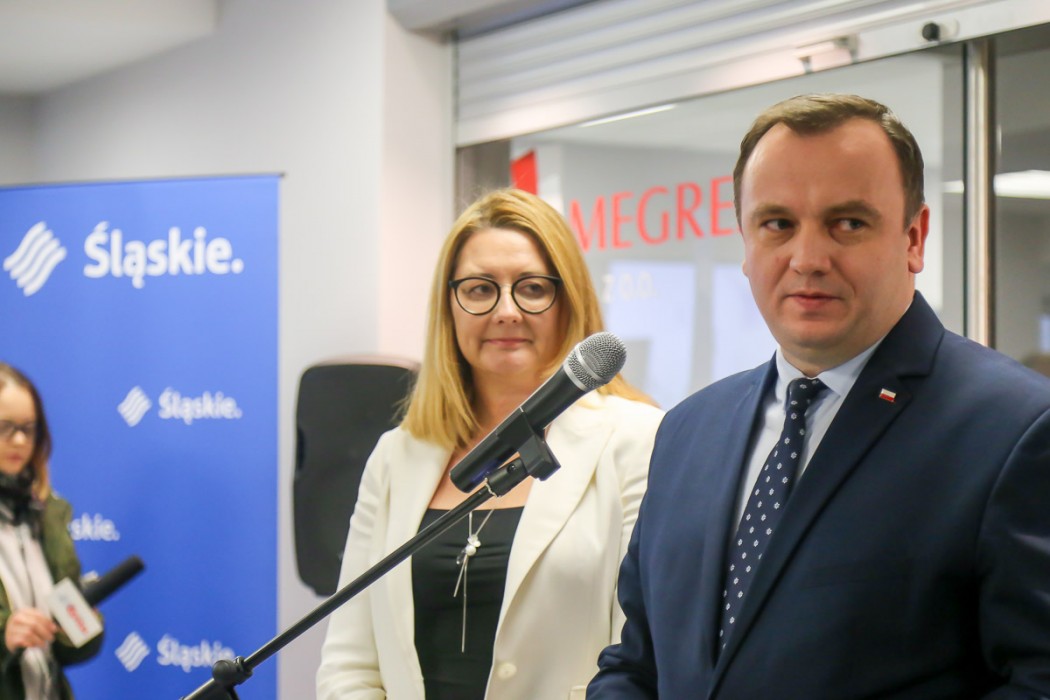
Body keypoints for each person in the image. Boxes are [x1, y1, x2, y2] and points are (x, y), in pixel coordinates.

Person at [589, 93, 1050, 697]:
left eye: (848, 223)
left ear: (914, 237)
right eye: (778, 224)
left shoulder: (1013, 430)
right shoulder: (687, 431)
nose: (807, 259)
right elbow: (636, 665)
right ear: (746, 240)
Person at [316, 188, 663, 699]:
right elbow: (349, 664)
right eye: (480, 289)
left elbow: (643, 656)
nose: (506, 311)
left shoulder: (638, 441)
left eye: (532, 288)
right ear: (449, 307)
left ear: (569, 301)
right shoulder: (398, 455)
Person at [0, 363, 103, 700]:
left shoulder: (48, 515)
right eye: (5, 427)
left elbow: (68, 651)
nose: (19, 440)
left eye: (28, 429)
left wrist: (82, 626)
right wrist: (4, 633)